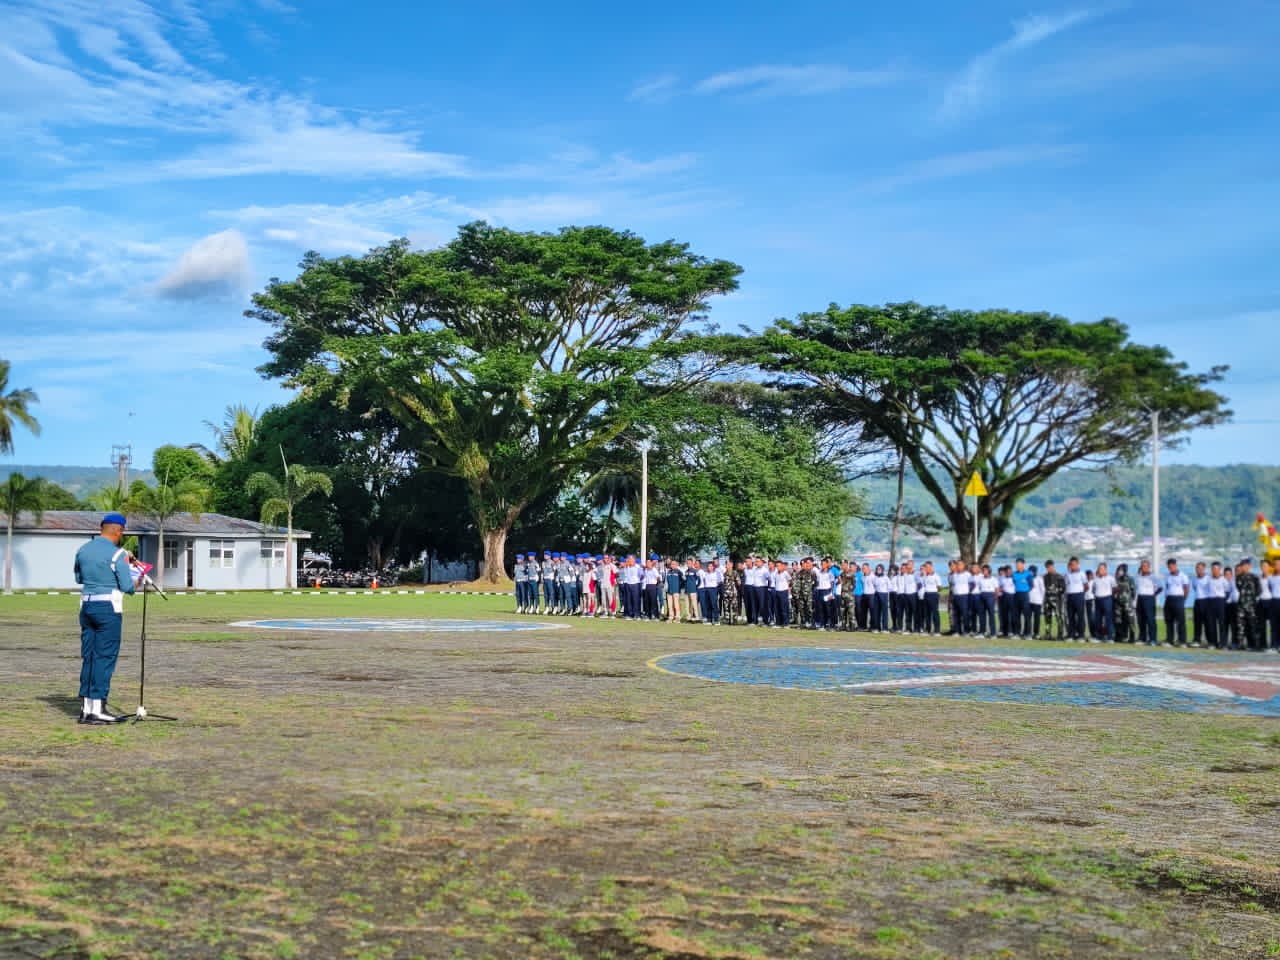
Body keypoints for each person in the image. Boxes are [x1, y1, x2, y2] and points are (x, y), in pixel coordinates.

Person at [74, 512, 137, 724]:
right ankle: (98, 709)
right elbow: (128, 587)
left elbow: (79, 578)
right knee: (104, 657)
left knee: (89, 656)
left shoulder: (83, 550)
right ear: (119, 531)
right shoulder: (118, 554)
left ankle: (86, 709)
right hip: (107, 608)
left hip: (86, 606)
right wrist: (137, 581)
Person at [1163, 558, 1190, 646]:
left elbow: (1186, 589)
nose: (1170, 568)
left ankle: (1182, 641)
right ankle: (1169, 640)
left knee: (1180, 621)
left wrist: (1183, 600)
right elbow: (1167, 587)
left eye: (1171, 567)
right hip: (1169, 599)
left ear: (1175, 565)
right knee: (1169, 621)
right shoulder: (1167, 576)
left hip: (1179, 599)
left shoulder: (1183, 576)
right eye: (1169, 567)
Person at [1134, 560, 1161, 646]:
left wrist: (1153, 595)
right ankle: (1142, 638)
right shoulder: (1138, 577)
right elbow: (1135, 587)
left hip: (1149, 598)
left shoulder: (1153, 577)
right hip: (1140, 598)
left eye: (1145, 566)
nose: (1144, 568)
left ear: (1149, 567)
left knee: (1150, 619)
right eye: (1142, 566)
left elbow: (1160, 588)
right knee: (1140, 619)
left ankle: (1153, 639)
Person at [1091, 563, 1116, 641]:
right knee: (1098, 619)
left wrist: (1110, 596)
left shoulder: (1111, 578)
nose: (1100, 570)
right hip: (1098, 599)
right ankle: (1098, 637)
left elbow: (1114, 589)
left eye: (1102, 569)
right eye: (1099, 569)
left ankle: (1110, 637)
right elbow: (1093, 590)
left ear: (1105, 569)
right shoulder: (1095, 579)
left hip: (1107, 599)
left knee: (1108, 619)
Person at [1064, 558, 1087, 641]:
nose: (1072, 566)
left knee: (1080, 616)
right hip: (1070, 596)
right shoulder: (1067, 574)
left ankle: (1081, 635)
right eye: (1071, 564)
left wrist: (1080, 593)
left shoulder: (1082, 573)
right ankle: (1071, 635)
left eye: (1074, 564)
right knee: (1070, 616)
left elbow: (1086, 586)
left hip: (1079, 596)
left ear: (1077, 564)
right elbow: (1066, 585)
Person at [1042, 560, 1066, 641]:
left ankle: (1060, 635)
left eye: (1050, 567)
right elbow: (1043, 588)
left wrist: (1055, 590)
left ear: (1053, 566)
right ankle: (1048, 634)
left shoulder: (1059, 577)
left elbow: (1063, 589)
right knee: (1047, 617)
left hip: (1057, 600)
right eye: (1047, 567)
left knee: (1059, 617)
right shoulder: (1045, 577)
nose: (1049, 569)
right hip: (1047, 600)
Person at [1010, 558, 1033, 639]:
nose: (1017, 566)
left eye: (1019, 564)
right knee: (1016, 615)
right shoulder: (1014, 574)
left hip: (1025, 595)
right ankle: (1017, 633)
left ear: (1023, 565)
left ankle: (1028, 634)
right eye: (1016, 564)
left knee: (1027, 615)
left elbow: (1031, 585)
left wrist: (1025, 590)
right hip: (1016, 595)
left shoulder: (1028, 574)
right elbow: (1014, 583)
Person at [1112, 564, 1135, 643]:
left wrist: (1130, 600)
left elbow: (1133, 591)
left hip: (1127, 603)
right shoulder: (1115, 579)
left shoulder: (1130, 579)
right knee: (1118, 620)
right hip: (1117, 603)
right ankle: (1119, 636)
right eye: (1119, 570)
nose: (1119, 571)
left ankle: (1132, 637)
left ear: (1125, 571)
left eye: (1121, 570)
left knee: (1130, 620)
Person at [1028, 564, 1045, 639]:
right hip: (1029, 601)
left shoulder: (1039, 579)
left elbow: (1043, 590)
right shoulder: (1027, 578)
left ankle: (1036, 633)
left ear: (1035, 572)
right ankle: (1028, 632)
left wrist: (1042, 600)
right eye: (1029, 571)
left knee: (1037, 618)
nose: (1031, 573)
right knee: (1028, 618)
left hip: (1037, 601)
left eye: (1032, 571)